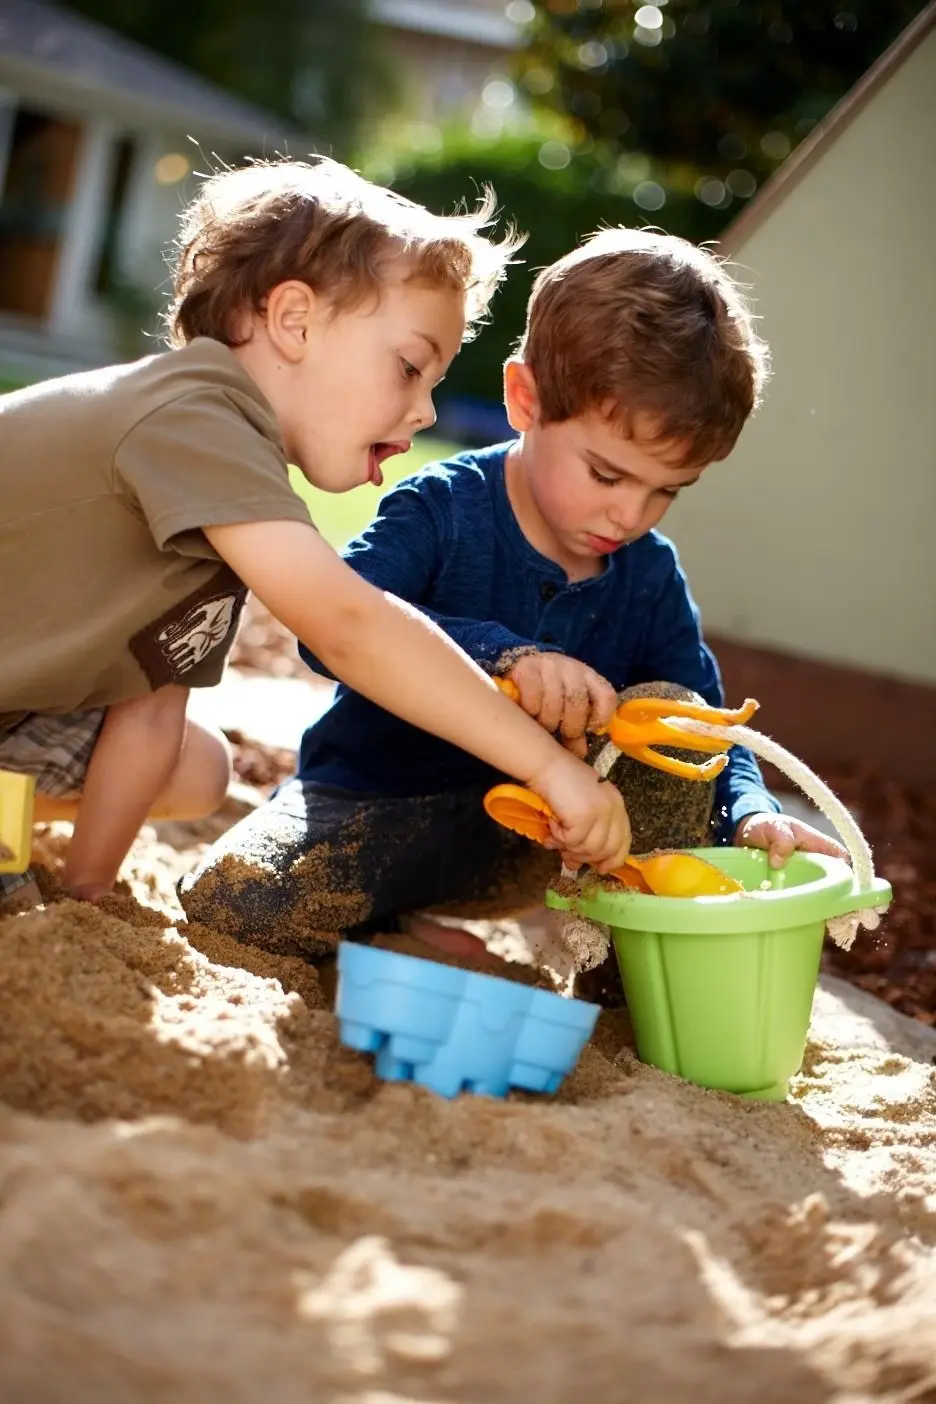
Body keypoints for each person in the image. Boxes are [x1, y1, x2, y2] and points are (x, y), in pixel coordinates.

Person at [180, 226, 846, 964]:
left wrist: (751, 814)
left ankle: (624, 981)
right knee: (235, 899)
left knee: (673, 713)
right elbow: (332, 622)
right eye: (606, 474)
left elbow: (708, 730)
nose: (631, 515)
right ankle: (397, 934)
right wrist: (508, 657)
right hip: (370, 808)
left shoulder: (648, 574)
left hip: (534, 841)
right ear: (525, 399)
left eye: (667, 491)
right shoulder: (442, 509)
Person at [0, 159, 633, 914]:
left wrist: (87, 896)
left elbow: (149, 713)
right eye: (409, 368)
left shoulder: (231, 485)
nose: (425, 411)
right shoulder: (191, 416)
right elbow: (349, 624)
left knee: (191, 766)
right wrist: (550, 769)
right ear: (294, 321)